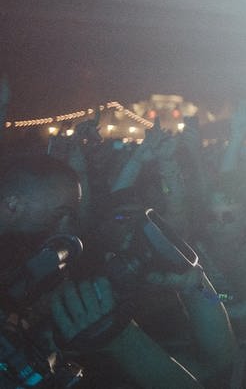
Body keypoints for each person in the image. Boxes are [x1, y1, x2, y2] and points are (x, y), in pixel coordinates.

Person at [0, 153, 206, 387]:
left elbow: (217, 359)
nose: (65, 227)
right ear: (13, 204)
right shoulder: (31, 259)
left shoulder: (148, 279)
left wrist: (199, 290)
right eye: (59, 214)